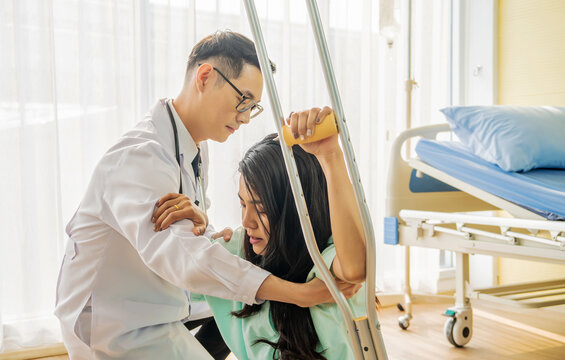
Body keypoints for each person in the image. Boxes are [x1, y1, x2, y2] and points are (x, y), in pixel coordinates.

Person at [54, 31, 359, 360]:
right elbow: (183, 257)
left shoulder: (191, 147)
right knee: (250, 294)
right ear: (205, 76)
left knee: (241, 299)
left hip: (159, 297)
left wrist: (204, 225)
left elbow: (189, 239)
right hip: (118, 321)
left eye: (253, 108)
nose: (244, 117)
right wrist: (299, 294)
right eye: (243, 101)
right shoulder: (142, 157)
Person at [152, 107, 369, 359]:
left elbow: (355, 269)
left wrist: (331, 155)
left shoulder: (324, 259)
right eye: (243, 204)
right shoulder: (241, 248)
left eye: (262, 209)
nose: (247, 221)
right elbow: (178, 269)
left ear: (299, 211)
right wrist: (198, 224)